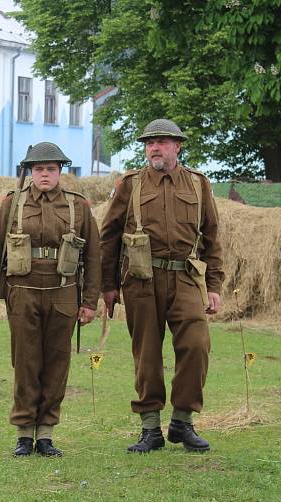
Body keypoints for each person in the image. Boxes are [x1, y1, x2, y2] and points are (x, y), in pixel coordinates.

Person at [100, 119, 224, 453]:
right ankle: (150, 428)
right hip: (141, 279)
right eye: (150, 142)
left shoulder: (198, 184)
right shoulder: (130, 184)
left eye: (163, 142)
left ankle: (182, 421)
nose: (155, 147)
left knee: (198, 345)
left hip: (185, 278)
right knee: (147, 355)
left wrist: (214, 285)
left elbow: (212, 237)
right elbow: (108, 236)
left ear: (178, 146)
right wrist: (107, 286)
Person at [0, 142, 101, 457]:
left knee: (56, 363)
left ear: (60, 171)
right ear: (30, 172)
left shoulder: (79, 206)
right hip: (23, 292)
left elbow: (94, 258)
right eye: (38, 169)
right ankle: (24, 432)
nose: (44, 174)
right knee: (25, 363)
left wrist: (89, 302)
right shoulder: (11, 204)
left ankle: (45, 433)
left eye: (50, 169)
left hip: (63, 292)